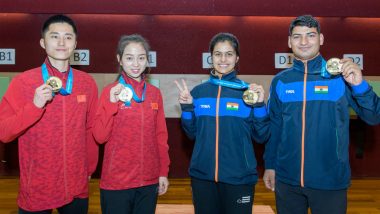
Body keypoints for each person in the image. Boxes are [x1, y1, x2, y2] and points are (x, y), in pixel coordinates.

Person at [263, 15, 380, 214]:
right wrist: (270, 165)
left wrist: (359, 85)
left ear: (321, 39)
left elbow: (373, 116)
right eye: (297, 36)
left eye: (310, 35)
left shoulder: (341, 76)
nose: (304, 41)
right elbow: (275, 127)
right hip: (287, 180)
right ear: (289, 41)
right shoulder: (281, 81)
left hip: (330, 180)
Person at [0, 14, 99, 213]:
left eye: (68, 37)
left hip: (75, 184)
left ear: (75, 43)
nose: (62, 42)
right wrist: (34, 106)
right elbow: (4, 132)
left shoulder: (87, 83)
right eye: (54, 36)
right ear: (43, 42)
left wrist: (89, 168)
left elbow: (90, 129)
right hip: (37, 185)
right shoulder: (23, 82)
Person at [175, 32, 270, 214]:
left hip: (239, 178)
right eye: (218, 54)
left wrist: (259, 105)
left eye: (229, 54)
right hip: (203, 178)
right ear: (211, 58)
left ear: (237, 58)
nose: (223, 59)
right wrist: (187, 108)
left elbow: (262, 135)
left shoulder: (248, 92)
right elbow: (191, 133)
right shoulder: (199, 92)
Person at [92, 34, 170, 214]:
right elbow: (100, 136)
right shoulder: (109, 92)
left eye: (141, 58)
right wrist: (112, 103)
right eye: (129, 58)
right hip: (117, 182)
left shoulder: (154, 94)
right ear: (119, 59)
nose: (135, 64)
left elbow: (160, 136)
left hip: (148, 181)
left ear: (147, 60)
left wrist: (162, 171)